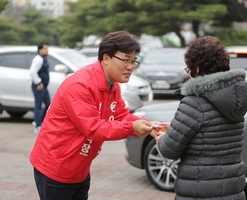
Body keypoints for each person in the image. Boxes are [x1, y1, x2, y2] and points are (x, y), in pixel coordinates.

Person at [30, 31, 157, 200]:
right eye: (126, 60)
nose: (131, 66)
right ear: (106, 58)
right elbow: (93, 127)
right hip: (56, 168)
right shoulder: (80, 85)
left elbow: (121, 116)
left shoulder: (113, 85)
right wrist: (131, 127)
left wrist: (149, 126)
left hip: (79, 167)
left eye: (134, 61)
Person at [154, 36, 247, 200]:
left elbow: (169, 150)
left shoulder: (194, 102)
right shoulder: (234, 99)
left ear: (197, 69)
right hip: (232, 190)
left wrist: (161, 138)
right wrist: (175, 128)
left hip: (200, 191)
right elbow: (211, 133)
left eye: (188, 68)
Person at [29, 42, 51, 134]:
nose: (47, 50)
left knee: (48, 104)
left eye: (47, 48)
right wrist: (39, 82)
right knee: (38, 105)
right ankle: (38, 125)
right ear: (40, 49)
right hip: (39, 86)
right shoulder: (38, 59)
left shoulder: (43, 58)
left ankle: (40, 120)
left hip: (44, 86)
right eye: (45, 49)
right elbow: (32, 72)